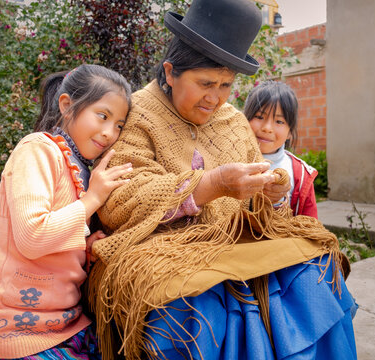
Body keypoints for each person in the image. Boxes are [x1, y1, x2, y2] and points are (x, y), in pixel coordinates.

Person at [86, 0, 357, 359]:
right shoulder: (136, 115)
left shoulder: (232, 122)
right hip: (160, 250)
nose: (215, 98)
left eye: (226, 85)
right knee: (202, 308)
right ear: (170, 72)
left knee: (316, 275)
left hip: (234, 242)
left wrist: (274, 192)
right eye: (205, 83)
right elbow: (120, 202)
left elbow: (260, 197)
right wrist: (209, 185)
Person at [0, 64, 133, 359]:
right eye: (102, 116)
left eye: (119, 125)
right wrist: (93, 198)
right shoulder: (37, 151)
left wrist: (86, 246)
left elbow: (56, 240)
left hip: (64, 323)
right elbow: (33, 237)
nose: (110, 133)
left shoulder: (80, 165)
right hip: (12, 331)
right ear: (67, 106)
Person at [245, 81, 319, 218]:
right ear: (244, 119)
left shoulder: (300, 175)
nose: (267, 128)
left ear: (290, 132)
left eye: (279, 121)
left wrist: (278, 202)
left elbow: (311, 227)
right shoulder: (230, 160)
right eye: (259, 117)